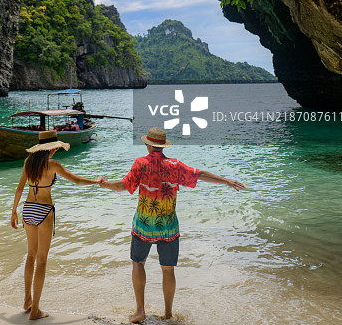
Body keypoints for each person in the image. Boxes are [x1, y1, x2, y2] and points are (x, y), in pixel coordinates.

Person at [99, 126, 245, 323]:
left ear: (148, 145)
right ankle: (168, 313)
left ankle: (140, 310)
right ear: (162, 146)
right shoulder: (175, 166)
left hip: (143, 226)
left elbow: (123, 185)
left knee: (138, 263)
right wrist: (225, 181)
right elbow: (199, 174)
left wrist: (105, 183)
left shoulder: (140, 163)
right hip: (168, 226)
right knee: (168, 269)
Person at [11, 129, 103, 320]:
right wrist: (96, 182)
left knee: (30, 256)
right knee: (42, 261)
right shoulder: (53, 165)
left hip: (28, 209)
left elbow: (20, 187)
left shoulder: (29, 162)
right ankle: (35, 310)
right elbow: (76, 180)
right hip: (44, 211)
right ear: (52, 148)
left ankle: (27, 300)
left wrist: (13, 212)